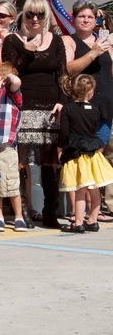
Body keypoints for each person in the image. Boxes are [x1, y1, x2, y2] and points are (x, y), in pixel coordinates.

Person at [1, 0, 66, 229]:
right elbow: (8, 72)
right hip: (22, 105)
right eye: (30, 14)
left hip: (50, 108)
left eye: (40, 14)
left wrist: (62, 101)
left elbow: (62, 73)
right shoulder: (12, 40)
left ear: (46, 16)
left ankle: (50, 213)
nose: (35, 19)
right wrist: (27, 51)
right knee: (21, 163)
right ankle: (23, 212)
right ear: (23, 16)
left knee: (49, 163)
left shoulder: (56, 41)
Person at [57, 73, 113, 233]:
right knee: (95, 188)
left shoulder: (68, 109)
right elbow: (93, 130)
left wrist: (60, 150)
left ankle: (78, 222)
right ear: (90, 92)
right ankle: (93, 220)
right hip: (93, 154)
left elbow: (64, 132)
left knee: (80, 189)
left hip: (77, 153)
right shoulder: (95, 110)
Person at [62, 0, 113, 145]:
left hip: (104, 108)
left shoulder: (104, 42)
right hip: (79, 109)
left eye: (90, 17)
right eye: (81, 16)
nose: (86, 20)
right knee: (79, 151)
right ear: (74, 19)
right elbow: (68, 69)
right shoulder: (68, 40)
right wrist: (93, 53)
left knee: (98, 153)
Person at [0, 61, 26, 232]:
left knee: (11, 183)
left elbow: (16, 82)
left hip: (7, 145)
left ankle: (19, 216)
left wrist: (7, 79)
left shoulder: (11, 93)